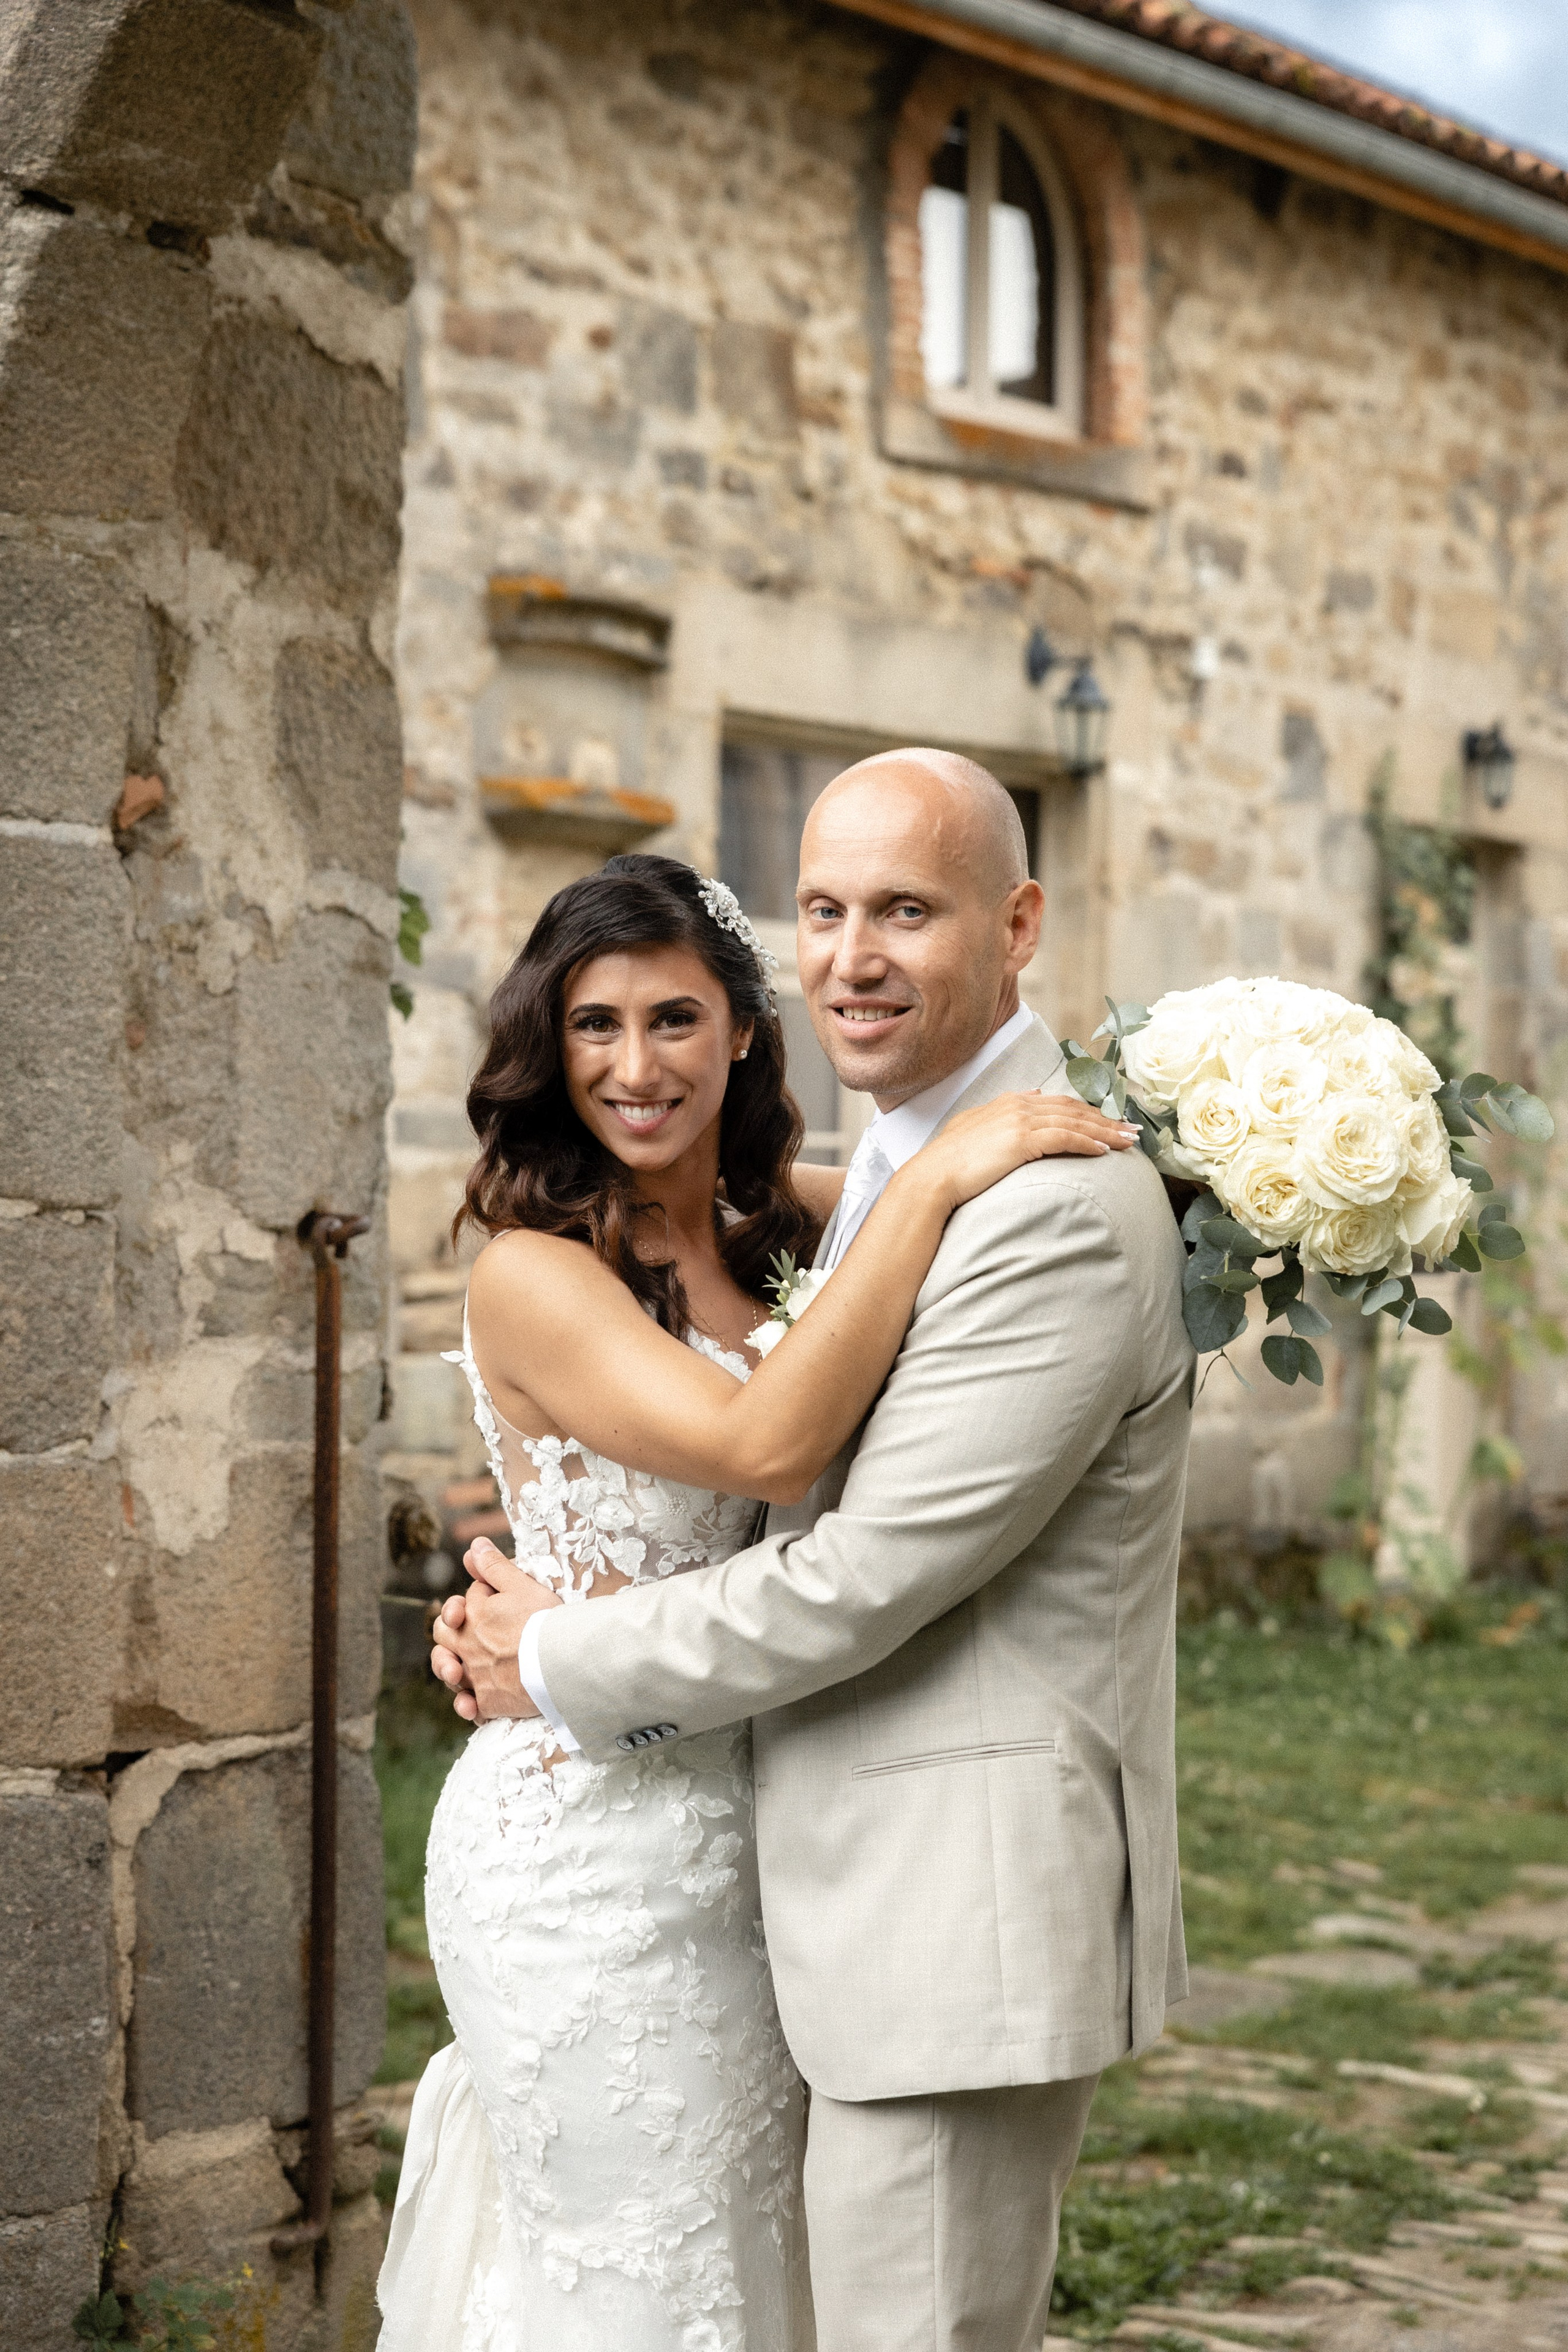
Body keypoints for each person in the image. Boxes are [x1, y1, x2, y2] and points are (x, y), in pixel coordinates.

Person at [379, 805, 1142, 2352]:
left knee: (756, 2259)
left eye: (675, 1018)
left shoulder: (787, 1217)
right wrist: (930, 1185)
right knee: (628, 2259)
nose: (633, 1064)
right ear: (547, 1044)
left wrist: (1100, 1159)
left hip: (761, 1820)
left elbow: (992, 1239)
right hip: (575, 1847)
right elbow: (756, 1442)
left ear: (741, 1033)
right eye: (592, 1024)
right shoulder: (533, 1272)